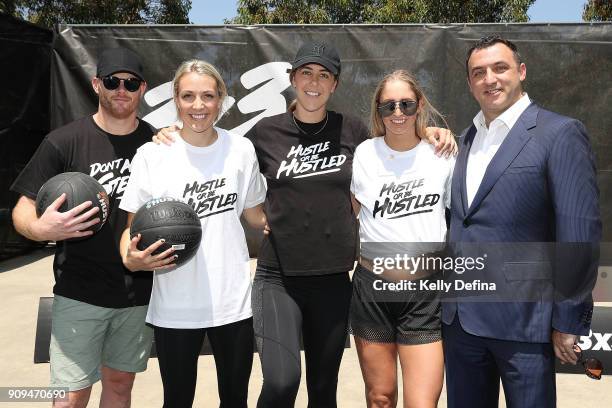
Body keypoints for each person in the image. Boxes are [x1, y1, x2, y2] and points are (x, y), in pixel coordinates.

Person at [154, 41, 457, 407]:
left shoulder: (355, 133)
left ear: (335, 84)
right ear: (292, 78)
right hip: (277, 277)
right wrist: (171, 132)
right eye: (306, 74)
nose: (314, 82)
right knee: (282, 383)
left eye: (324, 75)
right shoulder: (264, 134)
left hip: (332, 281)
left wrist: (433, 133)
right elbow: (217, 151)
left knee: (323, 390)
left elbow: (395, 147)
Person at [443, 35, 601, 408]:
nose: (489, 79)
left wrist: (567, 319)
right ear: (469, 83)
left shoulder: (559, 133)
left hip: (525, 324)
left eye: (500, 68)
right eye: (478, 72)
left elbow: (578, 234)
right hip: (460, 322)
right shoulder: (463, 141)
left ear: (522, 71)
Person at [10, 47, 154, 408]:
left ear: (142, 89)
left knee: (120, 386)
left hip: (137, 294)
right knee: (70, 396)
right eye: (112, 81)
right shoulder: (63, 141)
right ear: (96, 85)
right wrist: (41, 229)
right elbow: (22, 209)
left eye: (130, 82)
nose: (121, 89)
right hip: (79, 291)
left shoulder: (157, 144)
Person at [119, 59, 267, 408]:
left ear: (221, 100)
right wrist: (131, 257)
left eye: (207, 96)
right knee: (177, 401)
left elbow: (256, 215)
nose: (198, 106)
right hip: (175, 305)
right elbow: (130, 230)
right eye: (188, 96)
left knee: (235, 400)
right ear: (176, 99)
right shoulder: (152, 154)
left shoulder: (241, 150)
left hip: (233, 304)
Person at [349, 70, 454, 407]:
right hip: (373, 291)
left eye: (406, 105)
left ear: (419, 105)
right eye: (388, 106)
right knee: (380, 398)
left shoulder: (444, 155)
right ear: (378, 111)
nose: (397, 114)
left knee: (422, 403)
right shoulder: (364, 154)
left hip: (425, 295)